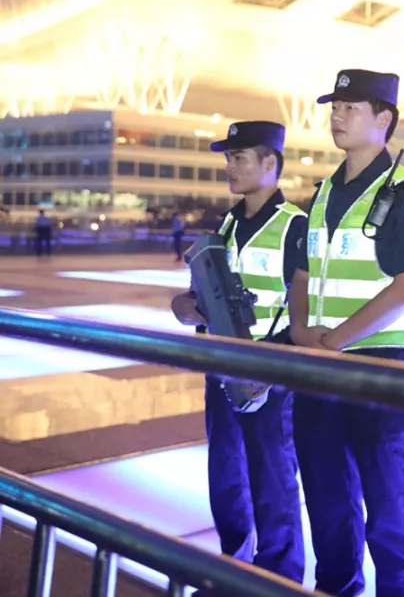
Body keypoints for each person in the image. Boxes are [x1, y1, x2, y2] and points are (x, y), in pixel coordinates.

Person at [288, 69, 404, 597]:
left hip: (380, 370)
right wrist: (301, 331)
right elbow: (301, 276)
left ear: (383, 119)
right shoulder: (323, 192)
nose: (337, 116)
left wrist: (333, 340)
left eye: (350, 108)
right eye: (335, 108)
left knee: (390, 510)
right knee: (327, 503)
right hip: (320, 370)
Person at [169, 120, 306, 585]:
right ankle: (233, 571)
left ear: (270, 163)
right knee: (227, 478)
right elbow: (196, 295)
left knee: (273, 482)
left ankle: (278, 579)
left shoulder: (295, 228)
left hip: (271, 376)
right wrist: (185, 307)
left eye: (239, 157)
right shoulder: (226, 226)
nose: (229, 166)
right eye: (228, 158)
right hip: (223, 370)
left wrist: (274, 367)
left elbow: (306, 310)